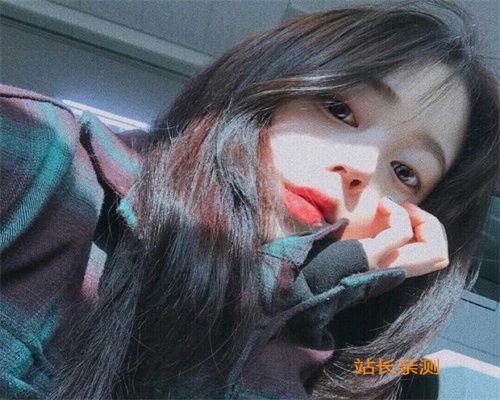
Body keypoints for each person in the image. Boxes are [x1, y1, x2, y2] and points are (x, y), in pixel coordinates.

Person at [0, 1, 497, 399]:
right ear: (266, 84)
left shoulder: (319, 362)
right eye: (338, 108)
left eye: (405, 172)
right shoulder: (43, 158)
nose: (362, 169)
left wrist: (304, 301)